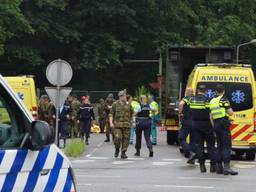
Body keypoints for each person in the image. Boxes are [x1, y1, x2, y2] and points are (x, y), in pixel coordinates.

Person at [210, 84, 238, 175]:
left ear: (216, 91)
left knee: (219, 146)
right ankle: (227, 167)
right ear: (223, 91)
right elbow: (230, 113)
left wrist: (214, 125)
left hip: (216, 124)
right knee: (226, 145)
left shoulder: (212, 101)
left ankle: (219, 167)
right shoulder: (223, 99)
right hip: (223, 124)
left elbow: (210, 115)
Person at [188, 85, 217, 173]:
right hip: (207, 125)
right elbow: (210, 114)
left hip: (196, 125)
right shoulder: (208, 100)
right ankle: (212, 166)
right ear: (205, 91)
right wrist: (213, 126)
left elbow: (190, 111)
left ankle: (202, 166)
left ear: (198, 90)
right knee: (210, 146)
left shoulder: (191, 100)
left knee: (199, 146)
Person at [109, 90, 136, 159]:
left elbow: (133, 113)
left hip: (127, 125)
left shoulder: (129, 105)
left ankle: (123, 152)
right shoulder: (115, 104)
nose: (125, 97)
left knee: (126, 139)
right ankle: (117, 149)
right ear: (120, 97)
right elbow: (111, 114)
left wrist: (133, 122)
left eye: (125, 96)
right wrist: (111, 122)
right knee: (117, 138)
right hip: (117, 126)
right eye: (124, 96)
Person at [178, 87, 196, 164]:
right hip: (195, 122)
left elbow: (181, 104)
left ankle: (190, 152)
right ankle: (192, 159)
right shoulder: (195, 99)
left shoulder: (187, 98)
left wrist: (180, 113)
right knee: (193, 141)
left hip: (187, 121)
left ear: (187, 92)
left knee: (181, 138)